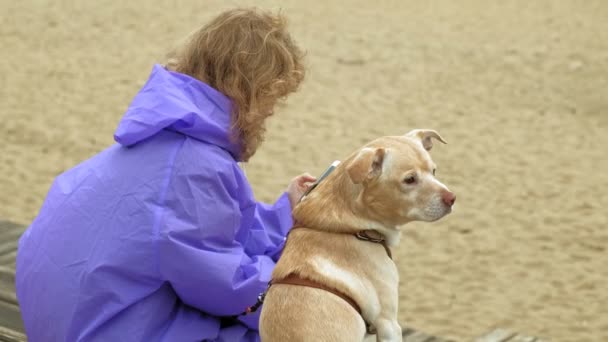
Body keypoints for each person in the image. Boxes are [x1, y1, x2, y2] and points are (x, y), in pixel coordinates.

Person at [16, 7, 315, 341]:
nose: (270, 113)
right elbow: (228, 289)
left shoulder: (163, 134)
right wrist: (301, 288)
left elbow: (215, 230)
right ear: (250, 90)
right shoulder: (194, 165)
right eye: (270, 100)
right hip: (108, 328)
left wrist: (287, 213)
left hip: (70, 317)